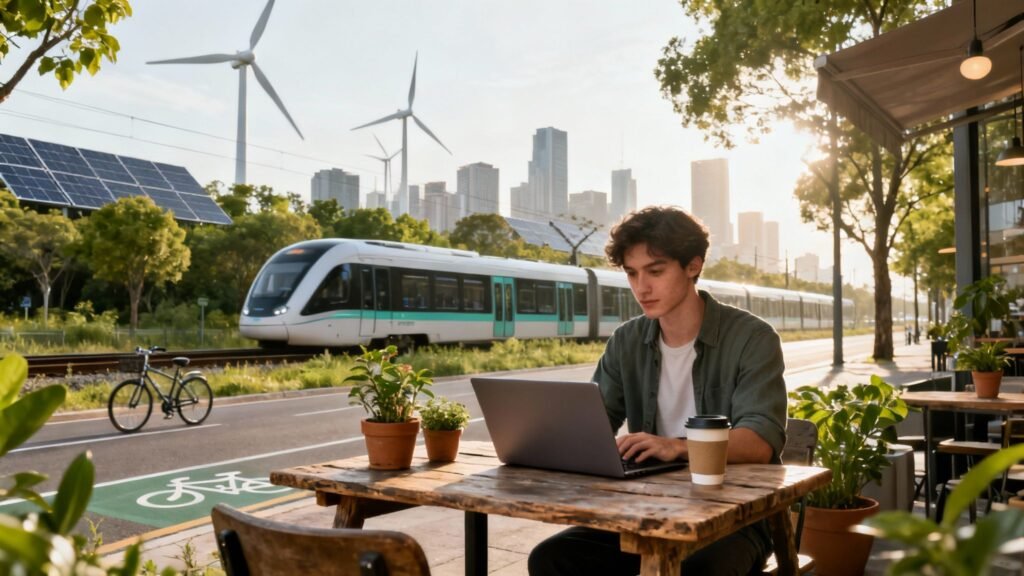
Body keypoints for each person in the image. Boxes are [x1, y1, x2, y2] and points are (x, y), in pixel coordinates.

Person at [528, 206, 788, 576]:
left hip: (737, 517)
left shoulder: (753, 338)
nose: (641, 287)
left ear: (693, 266)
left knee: (696, 569)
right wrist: (547, 438)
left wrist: (677, 446)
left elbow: (761, 442)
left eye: (655, 271)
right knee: (551, 558)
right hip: (648, 512)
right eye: (632, 274)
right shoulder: (626, 341)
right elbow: (593, 423)